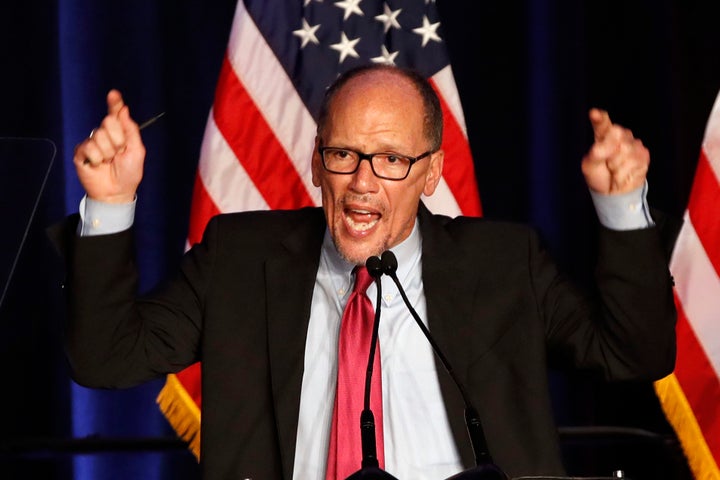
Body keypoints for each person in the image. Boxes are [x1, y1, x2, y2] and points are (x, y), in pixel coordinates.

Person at [55, 64, 677, 480]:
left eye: (390, 160)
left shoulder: (504, 264)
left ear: (432, 173)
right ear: (316, 162)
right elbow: (106, 359)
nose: (361, 183)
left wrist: (623, 209)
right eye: (344, 154)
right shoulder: (240, 258)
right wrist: (110, 207)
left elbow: (634, 353)